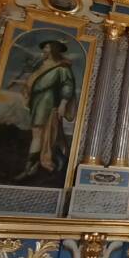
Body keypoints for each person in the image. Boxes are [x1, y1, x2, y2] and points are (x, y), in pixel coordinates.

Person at [14, 39, 77, 181]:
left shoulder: (62, 68)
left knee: (45, 134)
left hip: (48, 103)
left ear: (53, 50)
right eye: (45, 48)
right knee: (38, 134)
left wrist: (62, 105)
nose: (45, 50)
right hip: (38, 102)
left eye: (47, 48)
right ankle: (35, 165)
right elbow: (33, 81)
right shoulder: (43, 66)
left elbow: (67, 86)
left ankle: (33, 167)